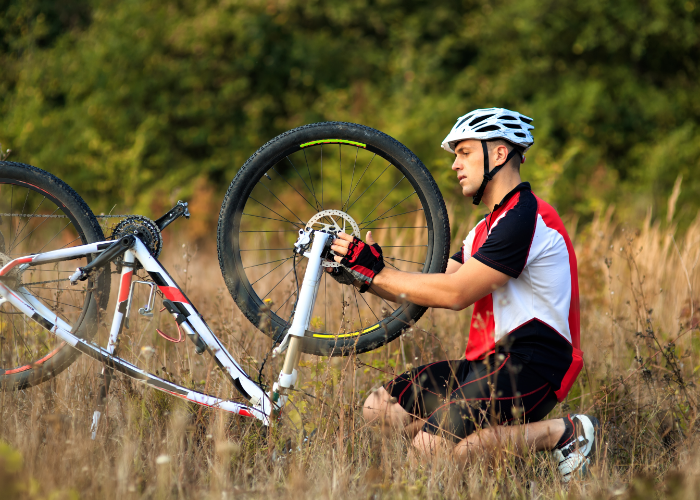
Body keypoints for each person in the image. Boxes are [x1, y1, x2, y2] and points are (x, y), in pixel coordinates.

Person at [328, 108, 599, 481]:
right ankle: (458, 448)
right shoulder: (485, 228)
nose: (455, 164)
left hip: (533, 363)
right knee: (379, 407)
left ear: (499, 154)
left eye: (464, 152)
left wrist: (380, 272)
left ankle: (564, 432)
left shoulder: (524, 218)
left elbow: (455, 294)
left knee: (434, 452)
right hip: (489, 363)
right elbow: (429, 288)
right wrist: (365, 274)